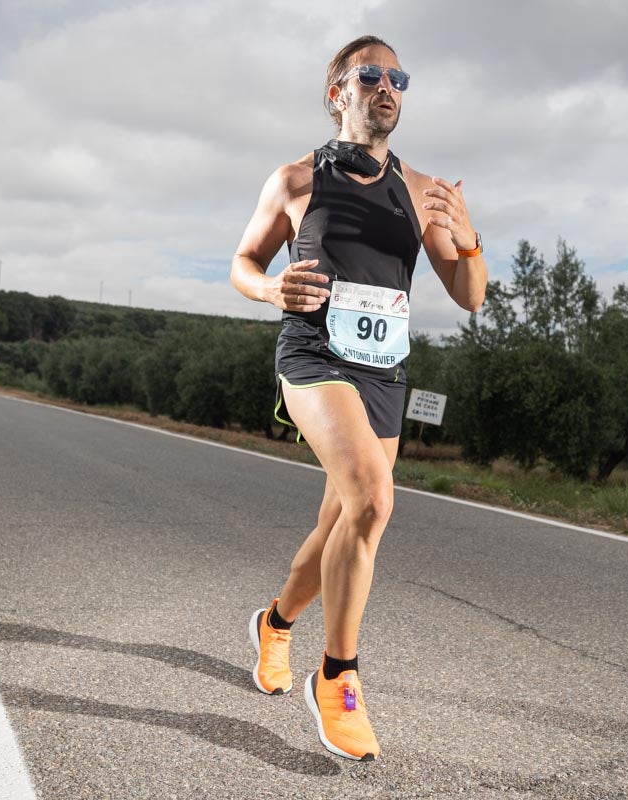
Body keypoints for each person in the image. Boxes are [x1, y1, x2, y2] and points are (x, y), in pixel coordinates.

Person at [230, 35, 487, 761]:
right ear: (338, 92)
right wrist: (269, 287)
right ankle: (336, 677)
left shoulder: (423, 192)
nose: (387, 86)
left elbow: (470, 297)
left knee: (346, 518)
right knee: (374, 500)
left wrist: (468, 242)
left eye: (397, 77)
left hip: (384, 370)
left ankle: (276, 624)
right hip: (313, 353)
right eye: (369, 75)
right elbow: (244, 261)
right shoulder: (295, 181)